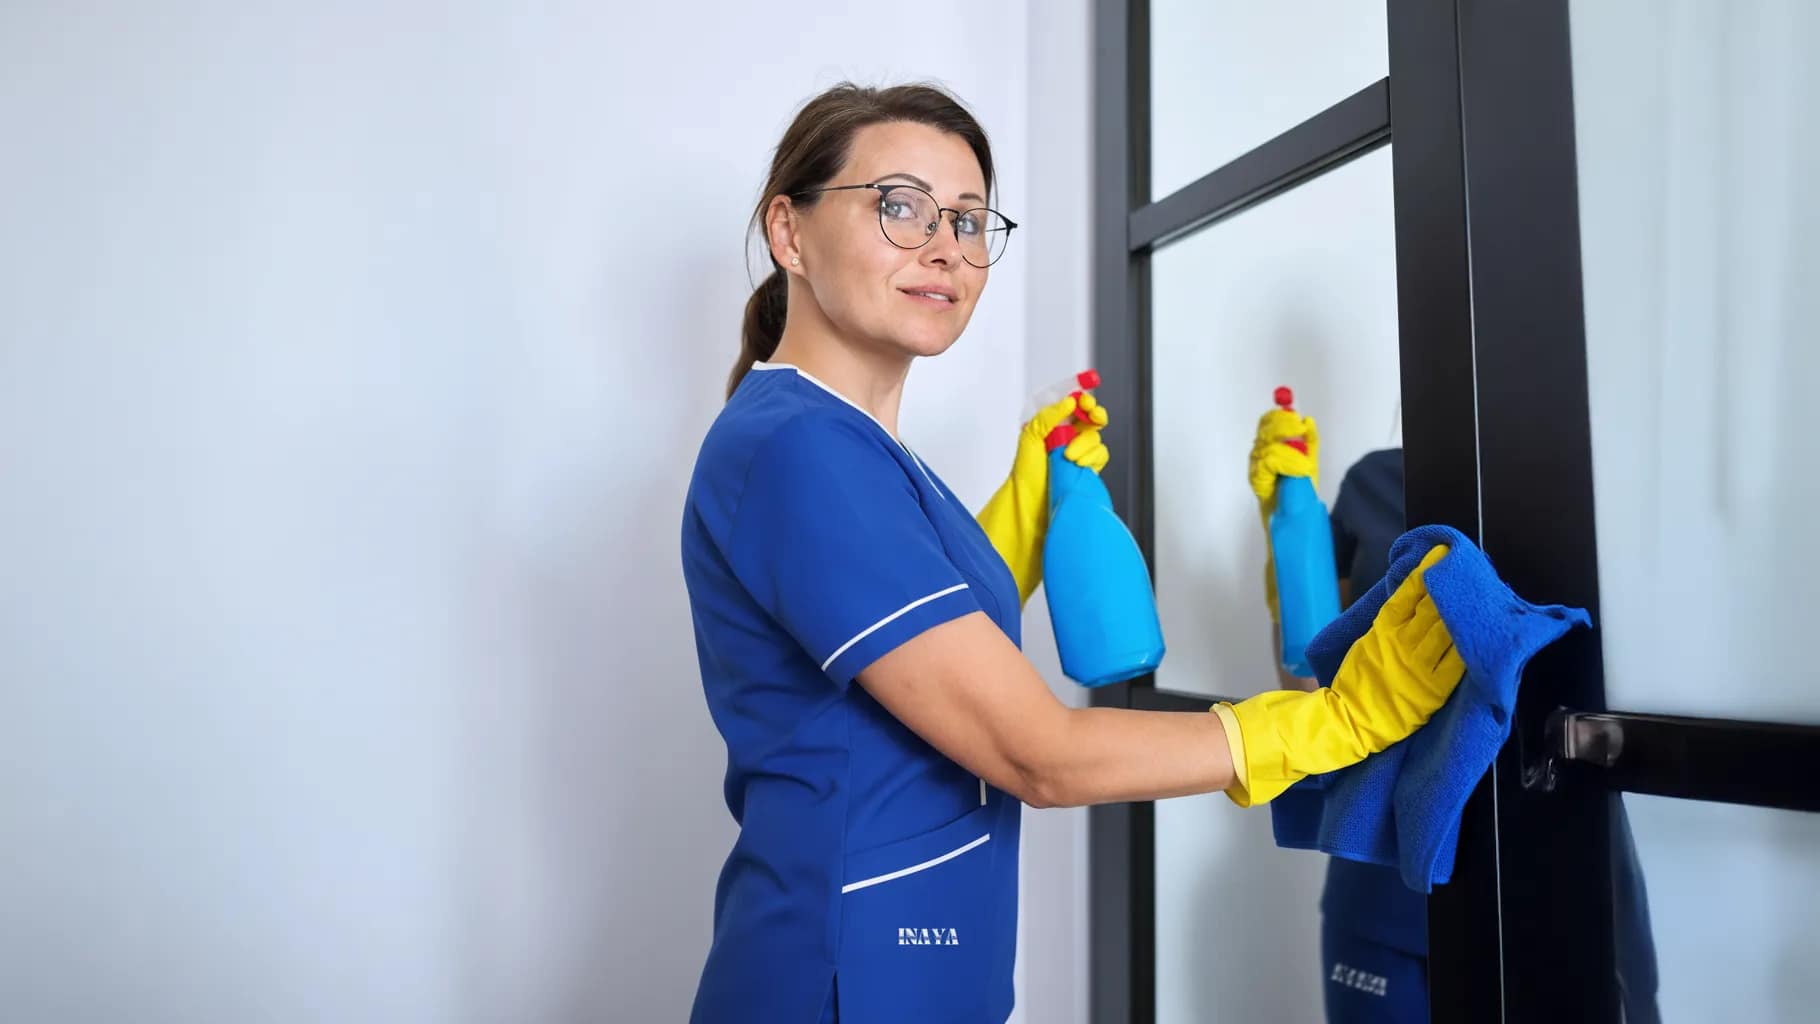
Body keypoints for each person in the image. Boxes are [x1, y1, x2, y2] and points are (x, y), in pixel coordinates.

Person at [680, 82, 1466, 1024]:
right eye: (900, 207)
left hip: (918, 975)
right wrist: (1327, 725)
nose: (946, 248)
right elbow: (1036, 752)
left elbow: (907, 659)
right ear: (790, 231)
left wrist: (1013, 518)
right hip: (840, 980)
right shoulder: (801, 450)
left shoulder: (853, 448)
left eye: (970, 221)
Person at [1251, 427, 1662, 1024]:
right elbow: (1311, 690)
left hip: (1555, 880)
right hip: (1383, 892)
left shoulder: (1590, 483)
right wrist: (1287, 558)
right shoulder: (1376, 482)